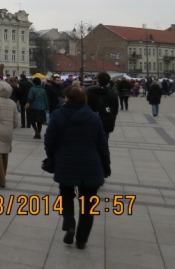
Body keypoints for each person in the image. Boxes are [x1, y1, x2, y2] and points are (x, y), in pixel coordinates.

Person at [44, 86, 110, 250]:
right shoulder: (94, 117)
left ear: (68, 98)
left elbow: (49, 139)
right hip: (91, 163)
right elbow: (102, 144)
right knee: (88, 204)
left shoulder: (58, 115)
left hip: (65, 162)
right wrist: (106, 164)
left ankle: (69, 223)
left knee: (65, 195)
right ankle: (82, 239)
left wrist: (52, 155)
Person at [86, 72, 119, 137]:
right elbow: (115, 110)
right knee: (104, 141)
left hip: (90, 121)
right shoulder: (112, 94)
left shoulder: (89, 91)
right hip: (106, 122)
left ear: (98, 80)